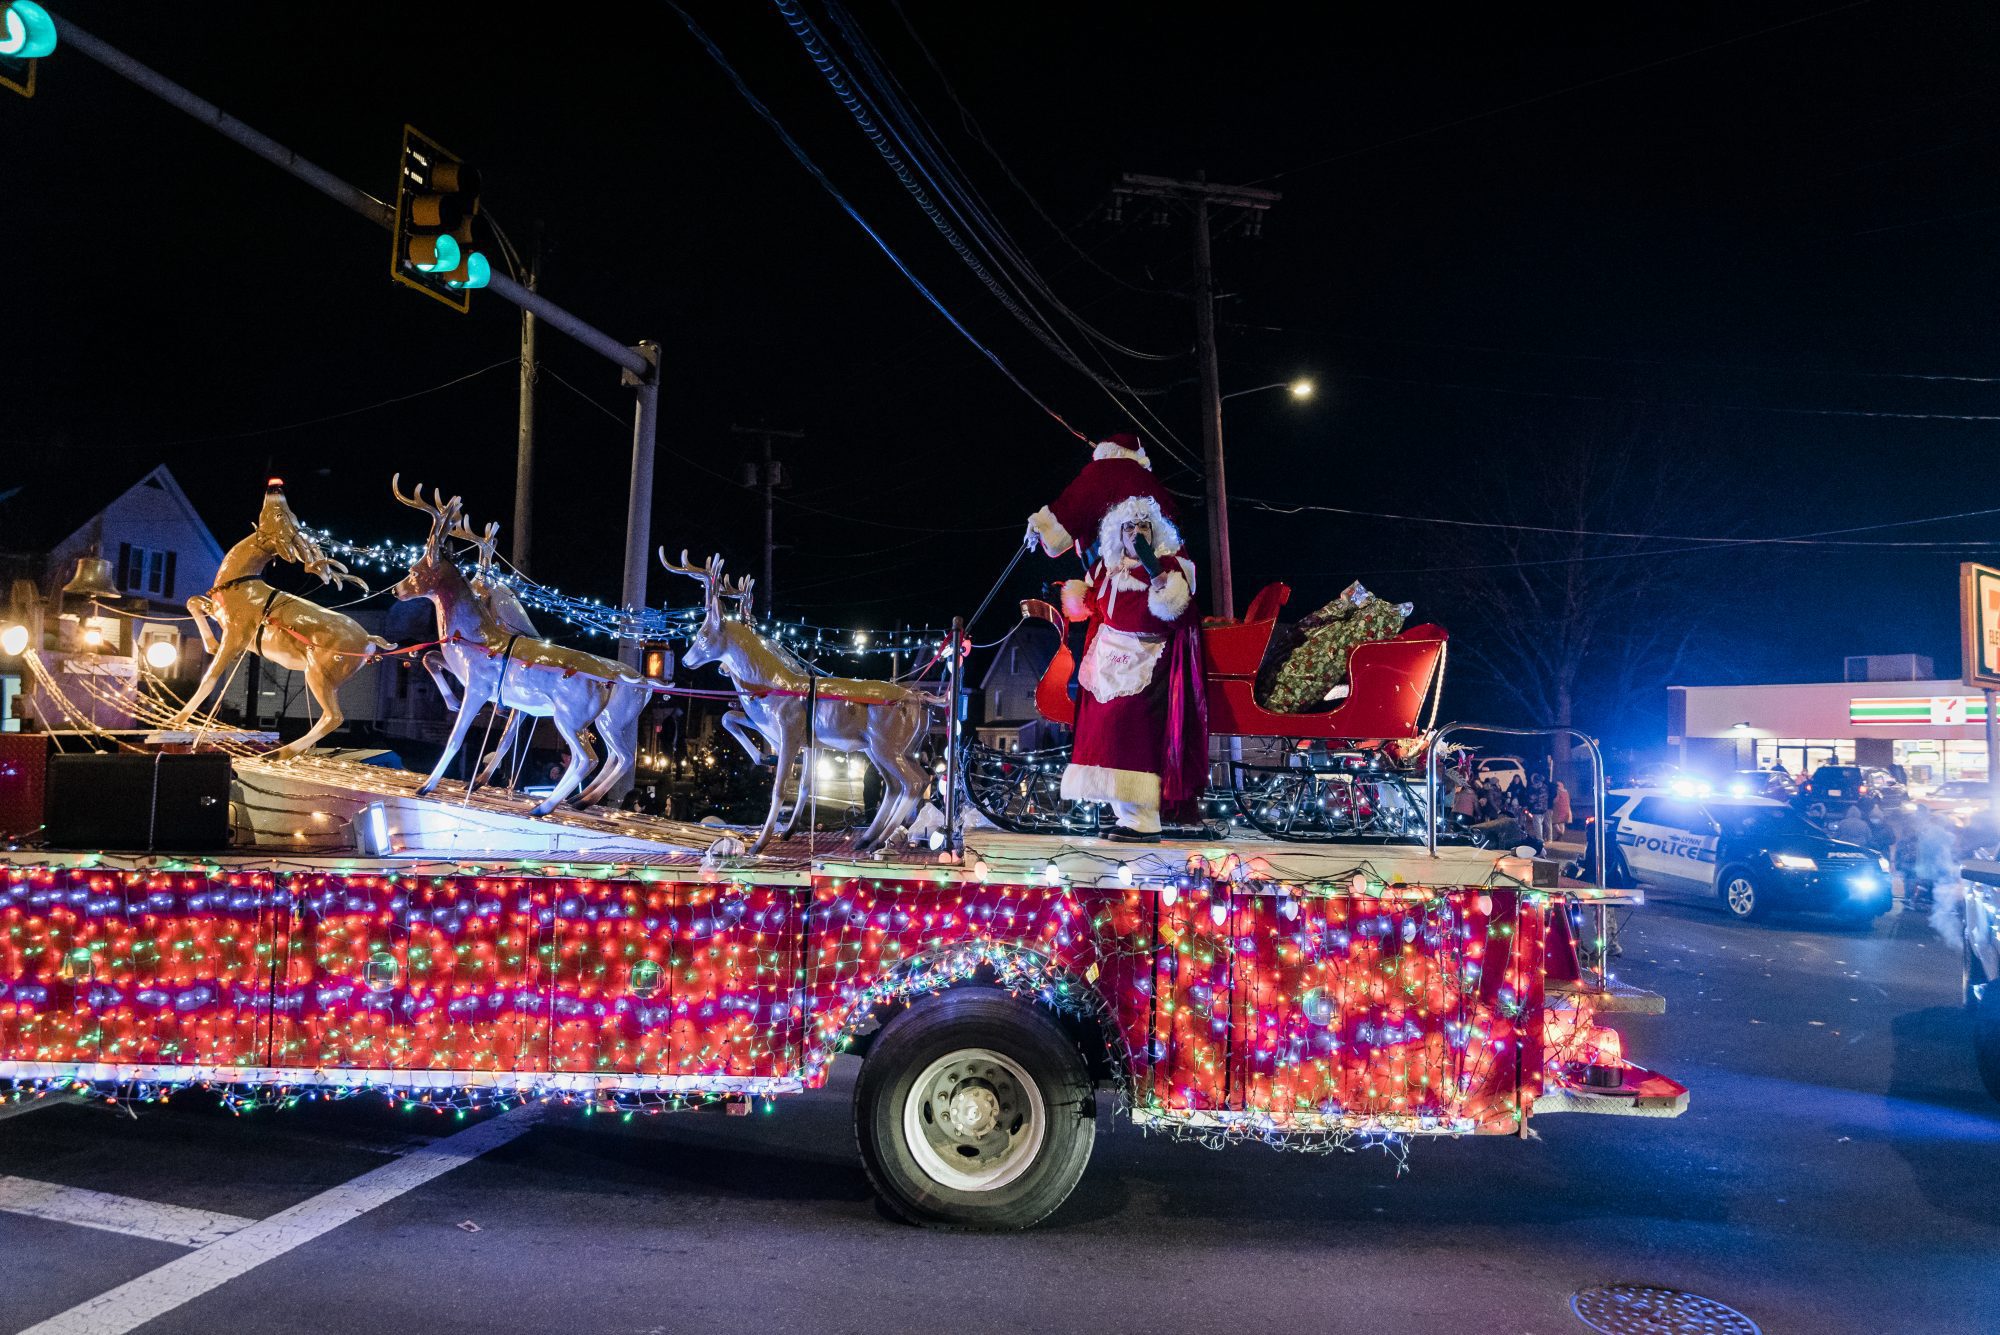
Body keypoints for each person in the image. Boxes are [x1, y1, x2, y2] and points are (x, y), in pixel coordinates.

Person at [1026, 431, 1207, 842]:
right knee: (1099, 728)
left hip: (1145, 658)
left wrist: (1164, 583)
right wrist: (1080, 597)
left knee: (1130, 729)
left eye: (1143, 525)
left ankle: (1143, 819)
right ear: (1116, 532)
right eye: (1128, 527)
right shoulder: (1111, 569)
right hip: (1109, 657)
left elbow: (1174, 607)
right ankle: (1121, 812)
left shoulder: (1165, 563)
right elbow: (1098, 601)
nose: (1136, 532)